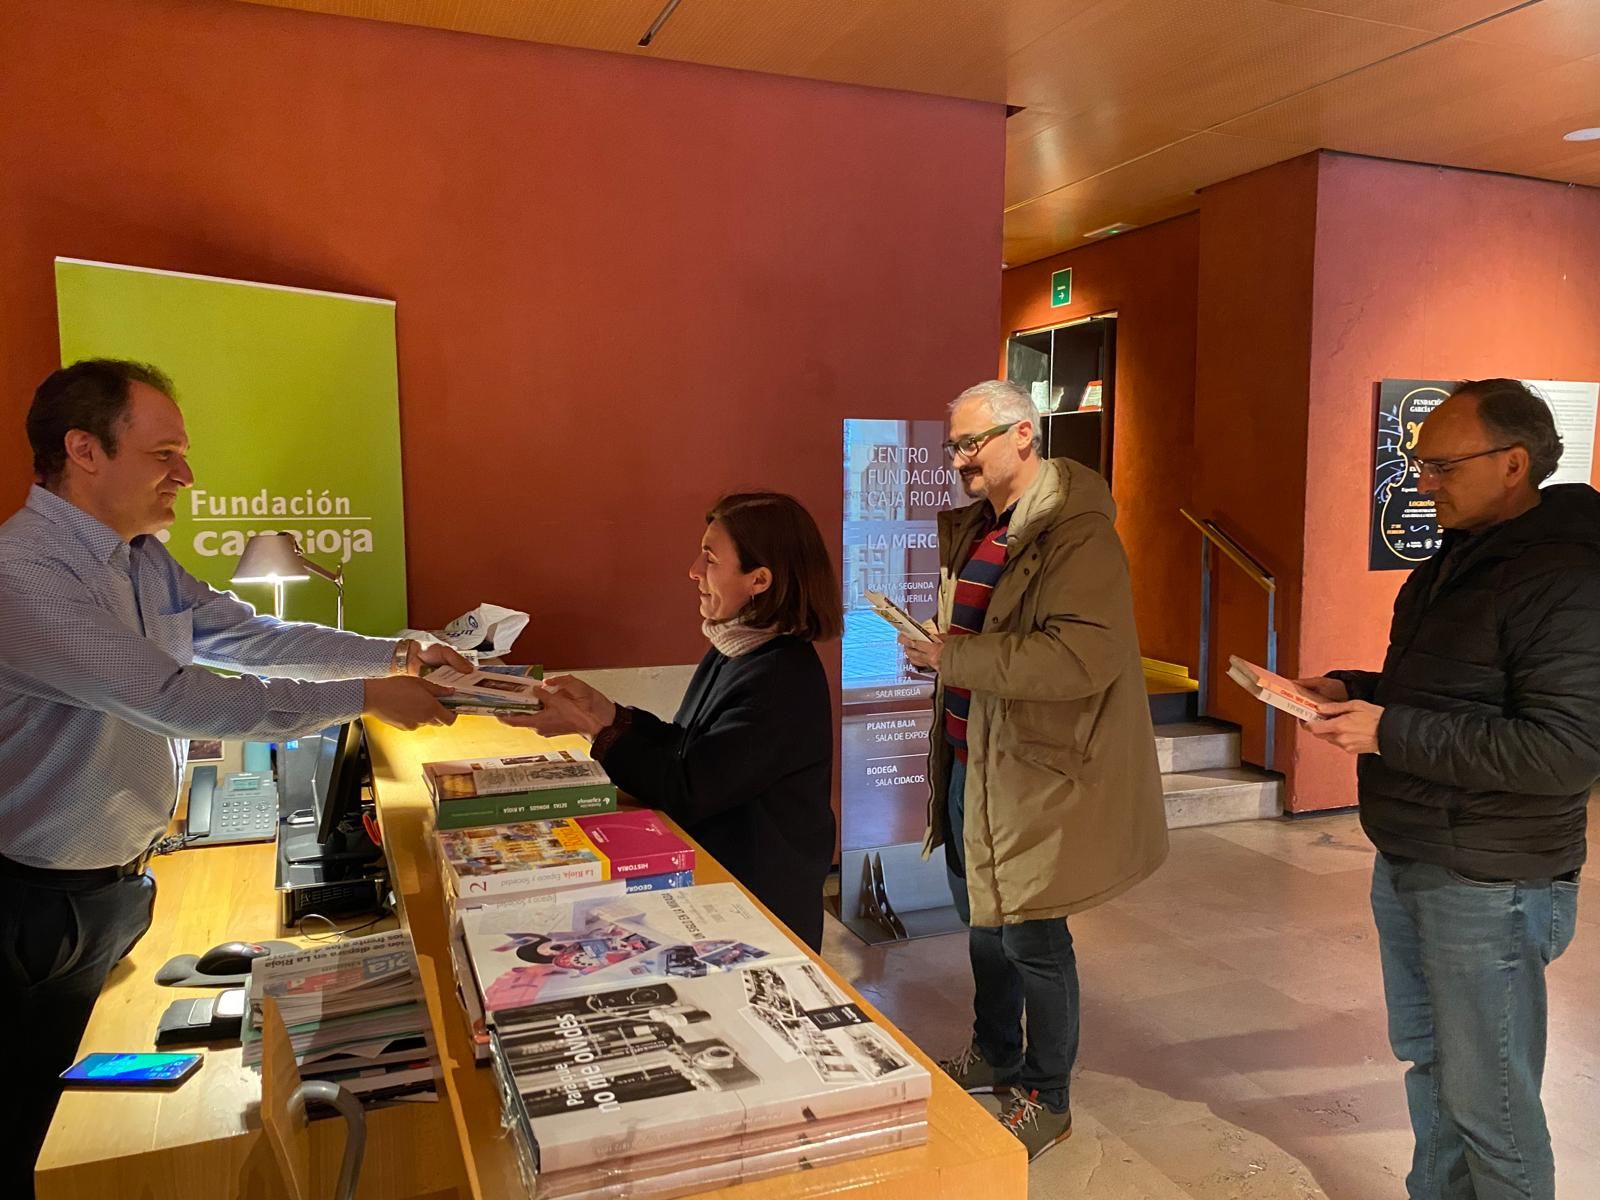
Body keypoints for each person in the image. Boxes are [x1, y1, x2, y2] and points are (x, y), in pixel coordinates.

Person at [0, 359, 470, 1196]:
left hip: (119, 885)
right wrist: (367, 697)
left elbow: (246, 637)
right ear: (84, 450)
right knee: (52, 1137)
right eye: (165, 454)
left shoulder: (140, 558)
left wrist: (396, 649)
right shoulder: (22, 577)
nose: (186, 475)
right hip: (36, 907)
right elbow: (175, 698)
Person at [1301, 379, 1600, 1200]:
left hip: (1489, 878)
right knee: (1433, 1071)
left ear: (1512, 463)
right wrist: (1348, 688)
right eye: (1417, 463)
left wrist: (1388, 730)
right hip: (1418, 851)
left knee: (1491, 1107)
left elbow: (1564, 752)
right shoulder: (1460, 558)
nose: (1422, 483)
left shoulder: (1565, 577)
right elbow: (1447, 693)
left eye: (1441, 465)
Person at [902, 379, 1167, 1161]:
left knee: (1033, 939)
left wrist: (959, 655)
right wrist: (944, 656)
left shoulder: (1078, 538)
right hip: (967, 761)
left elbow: (1084, 656)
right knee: (983, 922)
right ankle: (996, 1053)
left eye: (970, 443)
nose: (957, 460)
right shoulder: (988, 527)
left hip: (1032, 774)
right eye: (952, 446)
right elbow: (984, 641)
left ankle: (1048, 1095)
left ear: (1024, 435)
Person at [502, 492, 842, 951]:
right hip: (725, 885)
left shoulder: (779, 675)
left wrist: (595, 728)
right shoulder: (739, 649)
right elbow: (690, 747)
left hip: (759, 906)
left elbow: (689, 787)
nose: (694, 572)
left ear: (759, 579)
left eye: (710, 559)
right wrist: (608, 713)